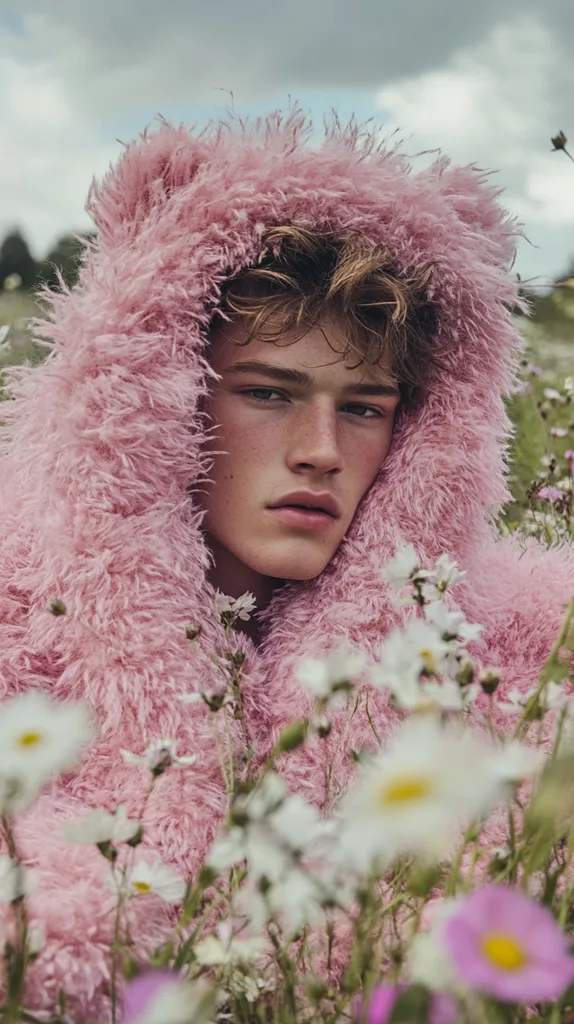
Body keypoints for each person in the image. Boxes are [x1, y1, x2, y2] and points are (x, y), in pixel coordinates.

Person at [0, 105, 572, 1020]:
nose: (321, 451)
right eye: (269, 393)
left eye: (366, 407)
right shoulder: (20, 630)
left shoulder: (521, 661)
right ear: (158, 400)